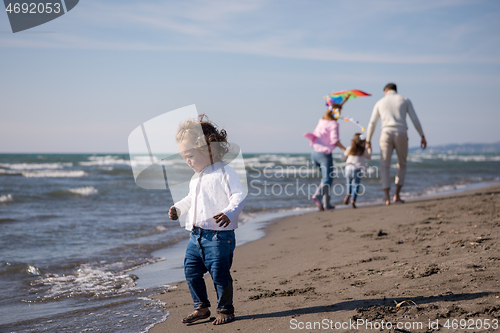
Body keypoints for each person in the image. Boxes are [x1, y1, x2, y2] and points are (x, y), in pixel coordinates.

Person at [169, 115, 245, 325]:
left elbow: (238, 196)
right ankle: (201, 307)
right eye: (184, 157)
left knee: (219, 274)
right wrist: (178, 208)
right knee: (191, 272)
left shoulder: (225, 172)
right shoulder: (196, 178)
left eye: (190, 155)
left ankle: (225, 309)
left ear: (208, 149)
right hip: (196, 237)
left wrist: (229, 213)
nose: (187, 161)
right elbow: (190, 199)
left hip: (220, 237)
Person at [366, 83, 427, 205]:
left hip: (386, 133)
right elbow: (414, 119)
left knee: (384, 165)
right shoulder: (404, 100)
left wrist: (368, 140)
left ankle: (387, 198)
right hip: (401, 132)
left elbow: (372, 123)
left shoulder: (380, 102)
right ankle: (397, 195)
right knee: (402, 164)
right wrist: (422, 135)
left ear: (386, 90)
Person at [304, 98, 348, 210]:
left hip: (314, 154)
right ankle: (318, 196)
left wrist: (344, 101)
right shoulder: (333, 124)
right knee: (328, 179)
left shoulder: (322, 121)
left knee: (325, 179)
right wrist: (344, 149)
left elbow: (334, 109)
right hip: (324, 154)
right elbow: (334, 140)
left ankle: (326, 204)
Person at [343, 133, 372, 208]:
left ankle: (348, 194)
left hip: (348, 169)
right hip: (356, 169)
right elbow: (368, 157)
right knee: (356, 185)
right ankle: (353, 200)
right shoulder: (362, 150)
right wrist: (369, 148)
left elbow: (343, 157)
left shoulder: (350, 148)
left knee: (348, 183)